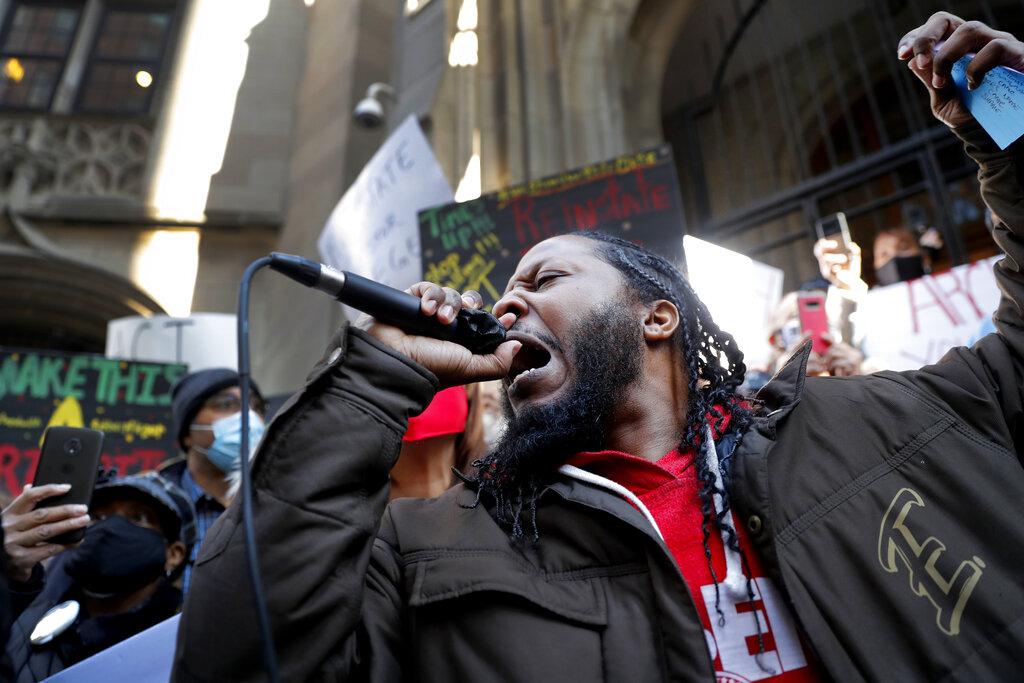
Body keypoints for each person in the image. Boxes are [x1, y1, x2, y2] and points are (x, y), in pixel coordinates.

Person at [173, 14, 1024, 682]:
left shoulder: (879, 423)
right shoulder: (429, 546)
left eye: (542, 277)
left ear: (657, 317)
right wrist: (369, 379)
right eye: (507, 290)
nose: (507, 302)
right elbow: (245, 657)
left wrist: (1017, 147)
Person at [5, 472, 194, 682]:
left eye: (138, 517)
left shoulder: (187, 640)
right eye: (98, 517)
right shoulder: (21, 620)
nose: (109, 528)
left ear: (174, 554)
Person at [160, 369, 265, 594]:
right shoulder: (153, 509)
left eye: (256, 407)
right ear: (188, 433)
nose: (248, 417)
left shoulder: (280, 502)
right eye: (226, 404)